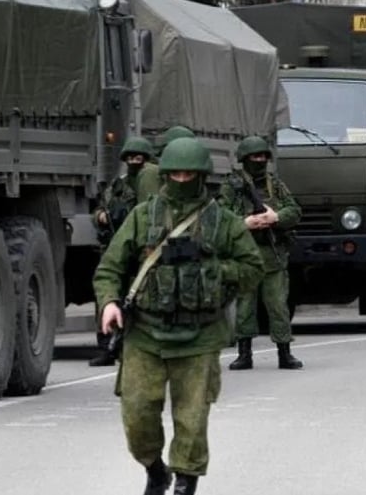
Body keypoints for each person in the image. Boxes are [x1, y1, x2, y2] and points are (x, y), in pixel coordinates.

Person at [92, 137, 263, 495]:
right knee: (137, 417)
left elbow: (253, 269)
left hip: (200, 336)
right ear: (165, 175)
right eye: (176, 174)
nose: (182, 180)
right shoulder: (143, 217)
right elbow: (110, 268)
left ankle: (186, 481)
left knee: (192, 419)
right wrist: (109, 302)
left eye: (190, 174)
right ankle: (155, 470)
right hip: (145, 333)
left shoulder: (223, 222)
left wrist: (214, 272)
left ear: (202, 176)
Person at [219, 135, 304, 370]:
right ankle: (244, 353)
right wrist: (244, 223)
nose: (259, 161)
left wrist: (275, 217)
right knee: (245, 306)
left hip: (272, 255)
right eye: (254, 157)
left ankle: (284, 352)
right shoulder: (232, 186)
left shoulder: (275, 185)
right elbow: (221, 216)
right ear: (244, 159)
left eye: (262, 156)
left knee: (278, 305)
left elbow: (294, 210)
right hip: (245, 255)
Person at [89, 136, 161, 366]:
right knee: (108, 294)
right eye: (129, 158)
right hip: (118, 245)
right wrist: (102, 216)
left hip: (141, 249)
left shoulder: (153, 183)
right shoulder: (117, 186)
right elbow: (99, 209)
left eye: (138, 158)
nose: (133, 162)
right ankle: (106, 347)